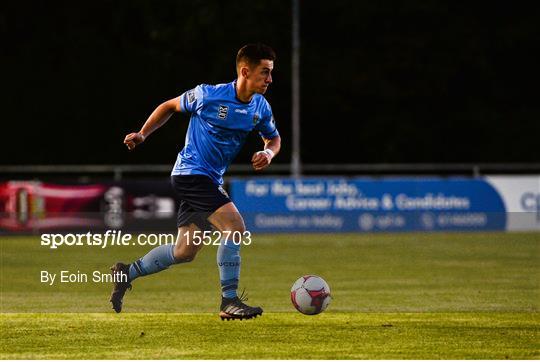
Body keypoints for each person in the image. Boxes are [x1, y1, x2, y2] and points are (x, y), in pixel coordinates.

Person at [110, 43, 281, 320]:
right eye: (265, 72)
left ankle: (126, 272)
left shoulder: (259, 107)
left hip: (209, 179)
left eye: (271, 73)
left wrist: (267, 153)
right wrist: (143, 133)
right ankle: (229, 301)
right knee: (235, 227)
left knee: (185, 250)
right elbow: (168, 106)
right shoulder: (208, 95)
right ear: (245, 71)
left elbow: (273, 137)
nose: (270, 79)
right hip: (191, 173)